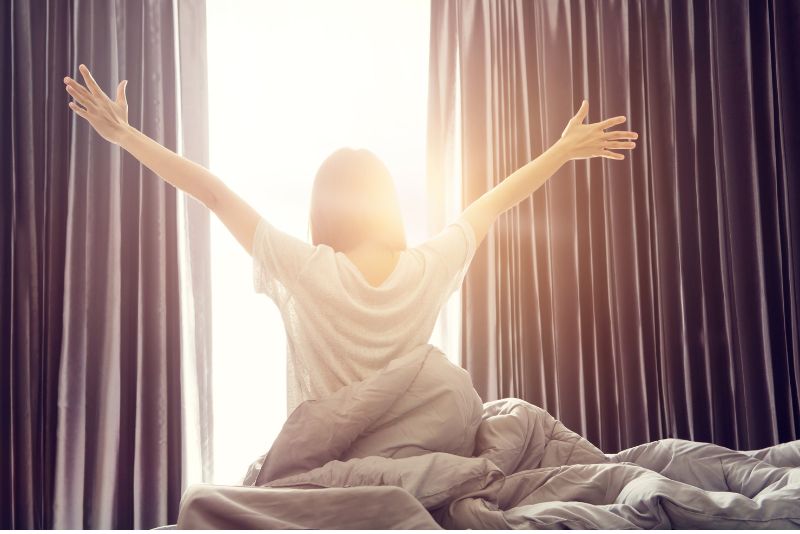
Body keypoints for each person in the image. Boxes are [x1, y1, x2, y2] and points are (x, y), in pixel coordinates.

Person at [63, 64, 638, 417]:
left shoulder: (307, 269)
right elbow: (493, 204)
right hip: (419, 470)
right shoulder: (426, 267)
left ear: (322, 209)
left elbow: (212, 193)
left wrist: (125, 134)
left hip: (319, 473)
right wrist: (562, 151)